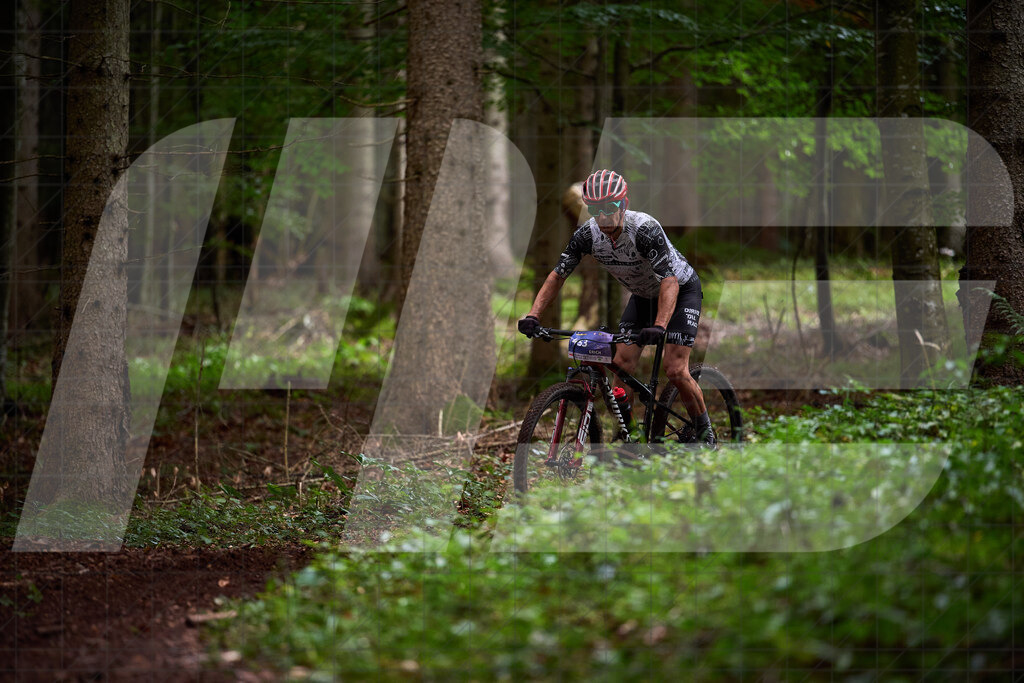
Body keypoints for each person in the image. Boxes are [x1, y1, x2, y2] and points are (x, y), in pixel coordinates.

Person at [517, 169, 715, 446]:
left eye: (610, 207)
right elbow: (557, 275)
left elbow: (669, 281)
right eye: (595, 208)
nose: (603, 215)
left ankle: (706, 435)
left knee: (674, 369)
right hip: (643, 295)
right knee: (621, 364)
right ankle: (630, 438)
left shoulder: (644, 229)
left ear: (624, 204)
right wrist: (533, 315)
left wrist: (659, 326)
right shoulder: (587, 234)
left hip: (680, 291)